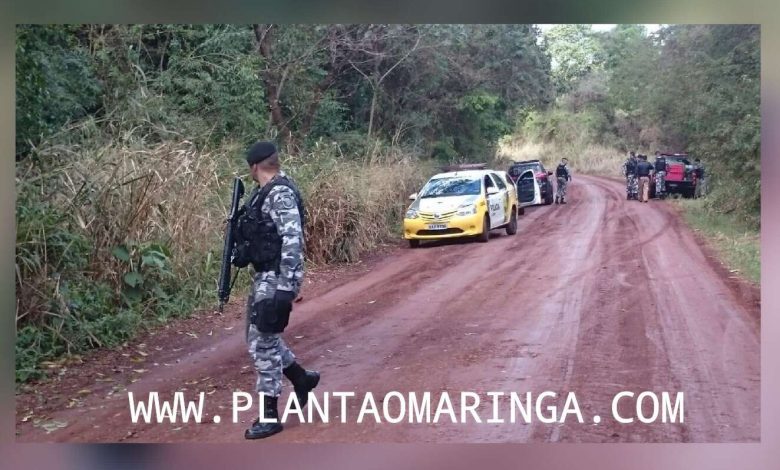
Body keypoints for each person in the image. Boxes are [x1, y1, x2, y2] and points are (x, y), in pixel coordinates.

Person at [237, 141, 320, 440]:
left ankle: (270, 415)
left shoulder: (280, 193)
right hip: (264, 275)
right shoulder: (262, 194)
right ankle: (301, 378)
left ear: (254, 167)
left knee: (263, 343)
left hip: (276, 277)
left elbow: (292, 239)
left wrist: (287, 286)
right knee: (257, 336)